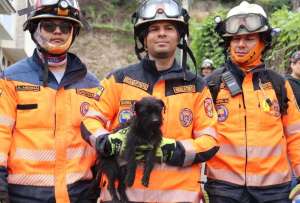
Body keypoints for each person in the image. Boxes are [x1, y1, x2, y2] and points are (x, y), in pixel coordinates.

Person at [80, 0, 219, 202]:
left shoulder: (196, 87)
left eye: (169, 28)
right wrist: (106, 141)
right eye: (154, 29)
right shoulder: (118, 80)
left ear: (180, 35)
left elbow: (210, 141)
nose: (161, 33)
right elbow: (89, 120)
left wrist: (174, 150)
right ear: (144, 38)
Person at [0, 0, 100, 202]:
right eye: (49, 26)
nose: (57, 32)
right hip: (24, 197)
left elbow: (98, 141)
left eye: (65, 27)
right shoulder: (10, 79)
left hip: (79, 196)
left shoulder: (92, 85)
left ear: (73, 32)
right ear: (34, 29)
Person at [205, 1, 300, 203]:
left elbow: (295, 135)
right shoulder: (212, 84)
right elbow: (198, 135)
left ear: (263, 42)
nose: (240, 44)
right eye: (236, 39)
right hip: (223, 191)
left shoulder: (278, 84)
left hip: (274, 191)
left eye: (249, 39)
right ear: (228, 42)